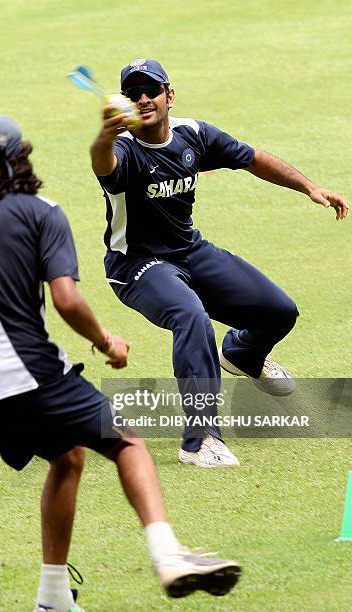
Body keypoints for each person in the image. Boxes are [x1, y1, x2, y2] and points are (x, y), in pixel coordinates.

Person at [0, 113, 242, 612]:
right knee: (128, 442)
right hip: (32, 372)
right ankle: (169, 554)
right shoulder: (41, 211)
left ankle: (52, 600)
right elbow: (65, 300)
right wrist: (107, 340)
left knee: (68, 456)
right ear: (22, 157)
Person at [90, 58, 349, 469]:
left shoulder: (193, 134)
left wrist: (310, 187)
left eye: (151, 90)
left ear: (169, 95)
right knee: (190, 316)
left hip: (189, 251)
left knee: (278, 311)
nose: (143, 99)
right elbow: (104, 165)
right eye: (132, 93)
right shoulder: (123, 149)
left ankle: (243, 355)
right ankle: (200, 440)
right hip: (136, 265)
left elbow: (252, 158)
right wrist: (104, 137)